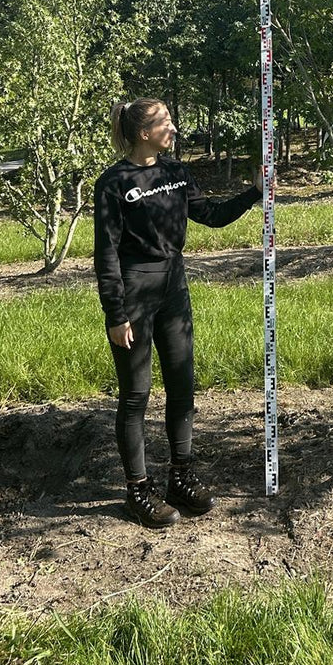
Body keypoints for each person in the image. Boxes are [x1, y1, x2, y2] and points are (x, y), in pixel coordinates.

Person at [94, 97, 263, 528]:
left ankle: (180, 480)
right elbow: (106, 253)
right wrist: (116, 314)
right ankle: (138, 490)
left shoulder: (176, 172)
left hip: (174, 290)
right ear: (142, 133)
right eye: (165, 122)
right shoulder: (114, 181)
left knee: (182, 388)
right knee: (136, 395)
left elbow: (211, 214)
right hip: (133, 293)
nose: (174, 128)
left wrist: (254, 193)